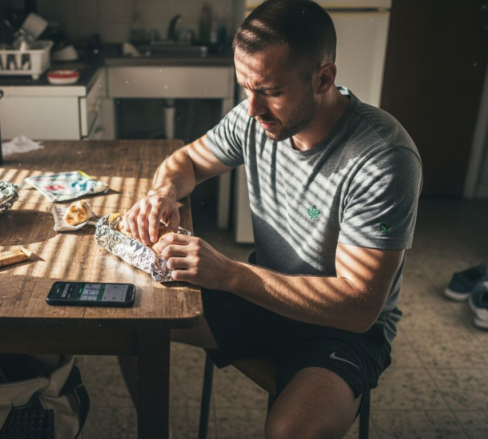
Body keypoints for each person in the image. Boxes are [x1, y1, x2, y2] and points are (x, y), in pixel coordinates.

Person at [119, 1, 422, 438]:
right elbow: (186, 161)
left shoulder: (383, 159)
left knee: (290, 432)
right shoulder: (253, 118)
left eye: (272, 91)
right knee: (123, 320)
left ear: (323, 79)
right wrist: (161, 193)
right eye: (246, 88)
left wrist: (227, 273)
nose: (253, 108)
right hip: (262, 295)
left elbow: (358, 307)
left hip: (338, 330)